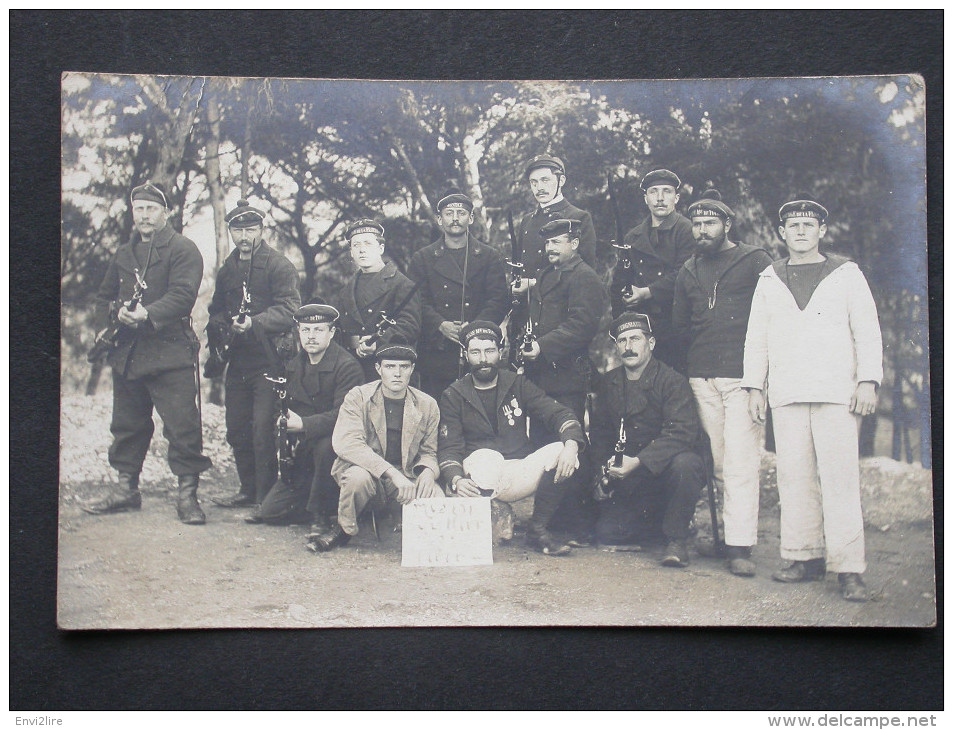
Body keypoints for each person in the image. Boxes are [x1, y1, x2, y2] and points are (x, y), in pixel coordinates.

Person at [742, 197, 883, 602]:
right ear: (781, 233)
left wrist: (868, 381)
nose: (801, 230)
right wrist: (755, 386)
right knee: (794, 477)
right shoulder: (769, 277)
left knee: (839, 480)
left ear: (822, 230)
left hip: (837, 393)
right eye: (793, 225)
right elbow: (757, 338)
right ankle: (802, 556)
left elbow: (868, 331)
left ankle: (849, 568)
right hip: (787, 393)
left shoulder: (846, 273)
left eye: (809, 224)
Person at [83, 181, 212, 524]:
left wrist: (147, 314)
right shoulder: (125, 254)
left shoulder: (183, 249)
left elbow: (184, 296)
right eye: (138, 208)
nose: (144, 215)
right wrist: (107, 320)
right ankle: (126, 490)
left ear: (165, 213)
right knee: (127, 425)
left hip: (170, 354)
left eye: (150, 209)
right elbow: (102, 296)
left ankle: (188, 497)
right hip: (129, 354)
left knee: (183, 427)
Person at [672, 189, 775, 576]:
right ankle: (724, 537)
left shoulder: (754, 260)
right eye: (696, 224)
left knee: (741, 461)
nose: (702, 230)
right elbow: (680, 328)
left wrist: (759, 381)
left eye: (709, 223)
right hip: (701, 376)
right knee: (716, 460)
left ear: (727, 225)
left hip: (742, 377)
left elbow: (771, 320)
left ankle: (740, 546)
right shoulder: (688, 270)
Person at [438, 322, 587, 556]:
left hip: (517, 471)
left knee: (563, 450)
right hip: (478, 476)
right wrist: (456, 479)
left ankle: (537, 530)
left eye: (489, 351)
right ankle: (482, 530)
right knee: (488, 456)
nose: (483, 359)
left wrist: (571, 444)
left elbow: (558, 412)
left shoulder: (516, 383)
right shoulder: (454, 394)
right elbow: (449, 447)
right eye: (475, 352)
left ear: (500, 351)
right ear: (466, 355)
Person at [589, 313, 705, 566]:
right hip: (627, 478)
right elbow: (600, 434)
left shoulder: (672, 381)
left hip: (661, 472)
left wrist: (639, 461)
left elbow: (682, 432)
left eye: (635, 339)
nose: (628, 347)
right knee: (608, 534)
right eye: (622, 341)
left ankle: (676, 539)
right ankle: (653, 526)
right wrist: (601, 473)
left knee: (687, 464)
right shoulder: (609, 382)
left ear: (650, 343)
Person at [206, 198, 301, 509]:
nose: (244, 237)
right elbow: (216, 309)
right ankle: (247, 490)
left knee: (263, 430)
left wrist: (254, 323)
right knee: (237, 427)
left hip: (270, 361)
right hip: (238, 361)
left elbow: (290, 310)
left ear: (262, 230)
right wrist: (223, 327)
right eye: (238, 230)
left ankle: (266, 496)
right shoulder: (227, 269)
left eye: (250, 230)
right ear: (231, 231)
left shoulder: (279, 265)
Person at [309, 339, 443, 552]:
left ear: (412, 369)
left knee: (435, 494)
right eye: (390, 366)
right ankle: (344, 529)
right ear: (378, 369)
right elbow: (347, 443)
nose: (397, 373)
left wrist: (428, 472)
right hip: (369, 473)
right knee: (356, 478)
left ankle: (414, 527)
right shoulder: (358, 397)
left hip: (405, 475)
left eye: (404, 367)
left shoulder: (427, 404)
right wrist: (392, 474)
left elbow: (429, 450)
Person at [248, 302, 364, 534]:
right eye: (305, 330)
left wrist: (304, 424)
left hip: (336, 447)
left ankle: (321, 513)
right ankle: (318, 502)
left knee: (325, 446)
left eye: (319, 330)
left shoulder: (347, 367)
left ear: (331, 333)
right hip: (302, 450)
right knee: (271, 512)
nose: (311, 337)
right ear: (298, 332)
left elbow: (346, 416)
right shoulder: (293, 366)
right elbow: (281, 407)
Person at [407, 190, 509, 399]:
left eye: (461, 213)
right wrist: (440, 324)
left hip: (478, 352)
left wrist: (474, 328)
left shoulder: (490, 256)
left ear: (471, 218)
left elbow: (498, 299)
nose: (455, 218)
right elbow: (415, 301)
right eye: (449, 213)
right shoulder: (423, 258)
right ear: (439, 219)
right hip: (437, 350)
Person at [514, 218, 607, 423]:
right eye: (547, 243)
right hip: (539, 375)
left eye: (556, 242)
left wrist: (541, 346)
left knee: (569, 437)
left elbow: (582, 326)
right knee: (541, 444)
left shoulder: (584, 277)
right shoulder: (546, 274)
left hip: (567, 377)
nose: (550, 248)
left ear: (574, 244)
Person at [610, 168, 695, 371]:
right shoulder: (633, 237)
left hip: (677, 328)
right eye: (653, 192)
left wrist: (646, 293)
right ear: (645, 198)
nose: (660, 198)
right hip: (643, 329)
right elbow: (620, 281)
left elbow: (684, 274)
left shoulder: (687, 231)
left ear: (677, 197)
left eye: (666, 191)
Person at [330, 219, 421, 383]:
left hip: (388, 368)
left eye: (368, 244)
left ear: (381, 248)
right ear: (351, 252)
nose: (362, 250)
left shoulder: (401, 284)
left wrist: (378, 342)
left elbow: (410, 326)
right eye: (356, 245)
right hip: (352, 368)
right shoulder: (346, 290)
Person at [516, 154, 597, 281]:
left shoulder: (579, 217)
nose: (540, 188)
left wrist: (533, 285)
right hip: (527, 300)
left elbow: (586, 275)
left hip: (560, 300)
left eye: (545, 180)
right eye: (534, 182)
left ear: (562, 181)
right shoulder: (527, 220)